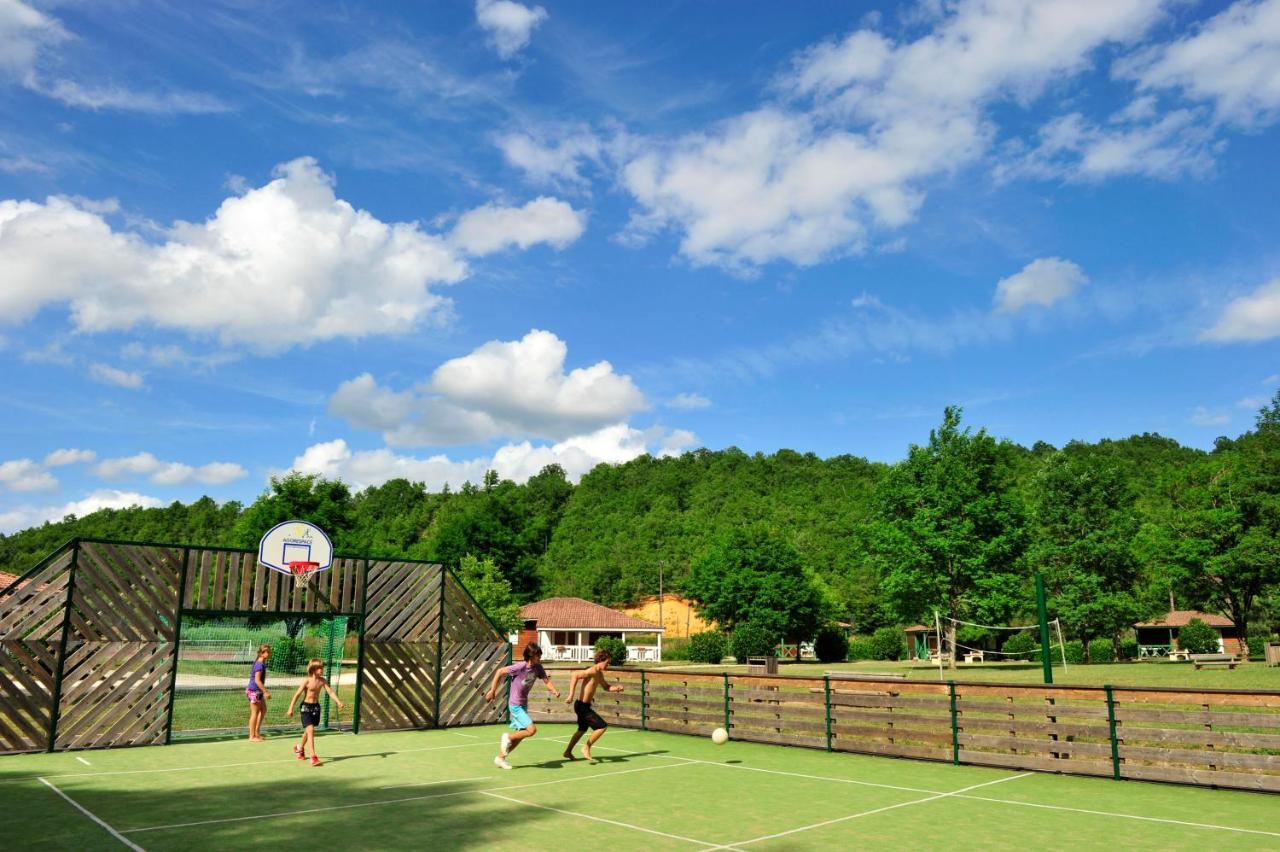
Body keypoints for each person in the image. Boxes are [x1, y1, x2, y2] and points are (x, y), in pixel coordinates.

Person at [484, 643, 560, 769]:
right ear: (531, 655)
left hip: (523, 704)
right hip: (515, 704)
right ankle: (507, 737)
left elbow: (546, 680)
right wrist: (493, 690)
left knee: (521, 735)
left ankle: (500, 758)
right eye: (537, 655)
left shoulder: (538, 668)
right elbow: (499, 671)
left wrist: (554, 690)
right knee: (531, 730)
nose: (540, 657)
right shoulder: (520, 667)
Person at [562, 649, 624, 762]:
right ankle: (587, 747)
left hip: (583, 706)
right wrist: (570, 695)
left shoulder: (599, 674)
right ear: (600, 660)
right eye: (607, 663)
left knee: (582, 730)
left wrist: (617, 688)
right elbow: (574, 675)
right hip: (582, 707)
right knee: (602, 726)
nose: (608, 665)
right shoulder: (592, 671)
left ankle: (567, 752)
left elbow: (606, 687)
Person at [286, 660, 343, 766]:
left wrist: (338, 702)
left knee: (308, 732)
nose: (321, 670)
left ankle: (300, 748)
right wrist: (291, 708)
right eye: (319, 668)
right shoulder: (307, 681)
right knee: (311, 730)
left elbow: (330, 692)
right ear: (313, 669)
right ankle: (313, 757)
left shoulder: (322, 681)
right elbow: (297, 694)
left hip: (316, 708)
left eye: (322, 668)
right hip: (306, 708)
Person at [246, 644, 271, 742]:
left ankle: (256, 732)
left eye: (269, 652)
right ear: (261, 653)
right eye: (266, 652)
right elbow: (257, 680)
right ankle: (251, 736)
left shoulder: (261, 663)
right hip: (254, 691)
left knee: (263, 709)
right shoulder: (259, 664)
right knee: (254, 713)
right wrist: (265, 692)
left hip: (258, 691)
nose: (269, 654)